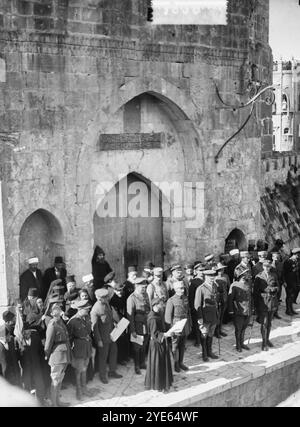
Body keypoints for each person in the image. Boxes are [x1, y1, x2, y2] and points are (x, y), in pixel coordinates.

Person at [91, 288, 122, 384]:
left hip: (112, 334)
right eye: (104, 297)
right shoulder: (95, 310)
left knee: (114, 352)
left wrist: (114, 323)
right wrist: (98, 340)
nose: (107, 299)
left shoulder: (107, 304)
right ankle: (102, 375)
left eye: (106, 297)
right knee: (103, 357)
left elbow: (110, 316)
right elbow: (94, 328)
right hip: (103, 338)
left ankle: (112, 371)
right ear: (99, 298)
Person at [44, 303, 71, 407]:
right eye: (55, 309)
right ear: (51, 313)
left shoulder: (61, 322)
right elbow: (48, 342)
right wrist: (47, 354)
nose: (58, 310)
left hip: (65, 355)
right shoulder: (52, 325)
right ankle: (54, 404)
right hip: (57, 356)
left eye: (59, 308)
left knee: (60, 379)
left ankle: (58, 402)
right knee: (55, 380)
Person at [67, 300, 95, 400]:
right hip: (78, 348)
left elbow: (88, 332)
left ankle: (84, 389)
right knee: (78, 371)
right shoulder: (72, 321)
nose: (88, 311)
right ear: (80, 309)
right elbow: (69, 338)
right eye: (86, 309)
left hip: (87, 346)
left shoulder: (86, 318)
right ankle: (78, 392)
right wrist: (70, 353)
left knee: (85, 369)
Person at [145, 298, 173, 393]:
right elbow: (154, 334)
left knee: (159, 364)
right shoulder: (153, 318)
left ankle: (159, 383)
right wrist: (166, 335)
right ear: (156, 305)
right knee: (158, 364)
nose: (163, 305)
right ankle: (159, 384)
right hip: (157, 345)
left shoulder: (157, 314)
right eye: (161, 304)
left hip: (159, 343)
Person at [165, 281, 191, 372]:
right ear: (175, 289)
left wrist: (189, 325)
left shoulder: (185, 298)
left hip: (185, 324)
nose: (182, 290)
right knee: (175, 346)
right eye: (180, 288)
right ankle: (175, 363)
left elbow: (188, 312)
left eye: (183, 288)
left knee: (183, 345)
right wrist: (171, 329)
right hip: (176, 325)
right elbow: (168, 317)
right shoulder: (171, 300)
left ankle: (181, 362)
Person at [127, 278, 151, 375]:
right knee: (137, 347)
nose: (144, 289)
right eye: (142, 287)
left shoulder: (145, 295)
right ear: (136, 286)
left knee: (144, 345)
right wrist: (132, 330)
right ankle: (136, 366)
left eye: (145, 287)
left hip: (146, 324)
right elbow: (130, 316)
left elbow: (149, 309)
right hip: (137, 326)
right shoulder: (131, 298)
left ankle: (142, 363)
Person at [254, 260, 279, 351]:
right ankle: (264, 343)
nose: (267, 268)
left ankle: (267, 339)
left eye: (269, 266)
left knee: (269, 323)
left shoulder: (274, 275)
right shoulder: (258, 277)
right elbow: (255, 292)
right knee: (264, 324)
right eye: (265, 266)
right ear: (263, 267)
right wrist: (255, 306)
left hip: (272, 302)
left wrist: (275, 289)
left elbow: (278, 286)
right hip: (263, 303)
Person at [194, 270, 219, 362]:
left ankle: (209, 352)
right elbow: (197, 304)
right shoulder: (201, 288)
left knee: (211, 334)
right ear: (205, 277)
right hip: (205, 316)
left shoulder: (215, 286)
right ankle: (204, 354)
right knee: (204, 335)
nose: (212, 278)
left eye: (213, 276)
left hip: (214, 315)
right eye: (210, 276)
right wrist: (200, 318)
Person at [228, 269, 253, 352]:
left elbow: (250, 298)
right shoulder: (234, 285)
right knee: (238, 329)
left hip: (247, 311)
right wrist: (231, 310)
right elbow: (230, 299)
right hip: (238, 311)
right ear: (241, 276)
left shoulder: (248, 284)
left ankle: (242, 343)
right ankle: (238, 345)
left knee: (244, 328)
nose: (247, 275)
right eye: (245, 274)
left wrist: (252, 308)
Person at [109, 281, 130, 365]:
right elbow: (114, 313)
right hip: (117, 322)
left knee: (125, 339)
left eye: (121, 290)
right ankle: (120, 359)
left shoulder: (124, 296)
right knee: (119, 341)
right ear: (114, 291)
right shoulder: (113, 300)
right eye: (118, 291)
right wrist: (116, 322)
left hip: (124, 320)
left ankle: (125, 356)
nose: (120, 292)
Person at [1, 310, 21, 387]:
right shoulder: (7, 330)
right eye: (13, 319)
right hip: (8, 374)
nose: (15, 320)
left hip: (15, 368)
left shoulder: (9, 332)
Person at [189, 263, 205, 347]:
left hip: (205, 306)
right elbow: (191, 297)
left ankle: (203, 338)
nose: (202, 272)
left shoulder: (205, 280)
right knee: (197, 324)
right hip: (197, 306)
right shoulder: (194, 282)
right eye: (200, 270)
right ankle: (197, 340)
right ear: (196, 271)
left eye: (203, 270)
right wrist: (193, 308)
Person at [213, 263, 230, 338]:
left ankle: (220, 330)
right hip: (217, 298)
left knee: (222, 315)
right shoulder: (214, 277)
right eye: (219, 270)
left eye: (222, 269)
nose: (221, 271)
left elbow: (229, 286)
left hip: (224, 297)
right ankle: (216, 332)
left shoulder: (226, 276)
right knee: (217, 315)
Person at [283, 248, 300, 315]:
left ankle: (291, 309)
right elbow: (283, 273)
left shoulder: (297, 261)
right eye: (298, 255)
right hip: (289, 282)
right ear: (294, 254)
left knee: (292, 296)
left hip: (295, 282)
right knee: (289, 296)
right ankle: (288, 310)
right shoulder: (288, 261)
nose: (299, 256)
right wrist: (284, 281)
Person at [271, 252, 284, 319]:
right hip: (272, 284)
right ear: (272, 257)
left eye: (278, 257)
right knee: (272, 298)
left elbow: (283, 274)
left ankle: (276, 313)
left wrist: (283, 281)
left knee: (277, 299)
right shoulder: (269, 265)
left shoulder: (281, 264)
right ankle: (271, 314)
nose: (276, 258)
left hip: (279, 283)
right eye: (275, 257)